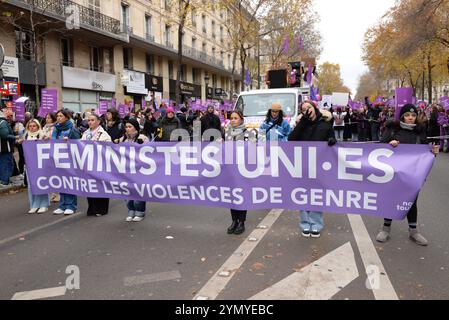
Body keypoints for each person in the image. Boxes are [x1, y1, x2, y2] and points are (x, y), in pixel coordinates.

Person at [376, 104, 439, 246]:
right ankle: (385, 228)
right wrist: (389, 144)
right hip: (394, 172)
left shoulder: (420, 131)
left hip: (413, 174)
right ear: (402, 116)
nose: (410, 118)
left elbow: (425, 153)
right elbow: (379, 148)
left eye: (413, 116)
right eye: (407, 115)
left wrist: (433, 152)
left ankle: (414, 231)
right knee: (392, 199)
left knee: (412, 201)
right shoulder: (392, 128)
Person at [288, 100, 336, 238]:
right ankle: (305, 223)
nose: (307, 110)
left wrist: (332, 140)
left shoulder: (325, 124)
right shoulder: (301, 124)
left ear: (314, 108)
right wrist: (303, 122)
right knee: (303, 196)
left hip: (319, 167)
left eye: (309, 107)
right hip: (302, 166)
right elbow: (291, 140)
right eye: (303, 109)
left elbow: (331, 137)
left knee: (316, 196)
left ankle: (316, 224)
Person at [224, 110, 257, 235]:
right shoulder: (227, 133)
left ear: (241, 119)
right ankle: (234, 221)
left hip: (243, 169)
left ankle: (241, 222)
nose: (233, 120)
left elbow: (254, 151)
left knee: (242, 195)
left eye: (235, 118)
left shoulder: (249, 133)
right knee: (232, 195)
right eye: (231, 118)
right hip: (230, 169)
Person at [81, 113, 112, 217]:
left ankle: (101, 209)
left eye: (92, 120)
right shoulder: (85, 133)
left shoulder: (103, 134)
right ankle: (91, 208)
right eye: (89, 120)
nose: (90, 122)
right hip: (88, 163)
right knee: (90, 186)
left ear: (98, 122)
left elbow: (108, 147)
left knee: (100, 185)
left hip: (99, 164)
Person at [51, 109, 81, 215]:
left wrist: (69, 141)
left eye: (61, 116)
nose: (58, 118)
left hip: (69, 159)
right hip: (58, 158)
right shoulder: (56, 129)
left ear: (67, 117)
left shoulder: (72, 128)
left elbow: (78, 143)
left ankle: (71, 205)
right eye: (57, 116)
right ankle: (62, 205)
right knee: (61, 181)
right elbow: (53, 141)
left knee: (69, 182)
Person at [119, 118, 149, 222]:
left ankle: (140, 211)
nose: (127, 129)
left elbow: (150, 152)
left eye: (130, 127)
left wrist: (142, 145)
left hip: (139, 170)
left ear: (135, 127)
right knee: (127, 192)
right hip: (126, 170)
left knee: (138, 191)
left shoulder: (142, 138)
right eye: (126, 127)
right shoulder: (123, 139)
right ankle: (131, 210)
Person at [18, 119, 50, 214]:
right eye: (30, 126)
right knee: (31, 185)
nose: (32, 128)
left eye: (34, 126)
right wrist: (20, 142)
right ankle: (34, 204)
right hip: (29, 164)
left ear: (38, 126)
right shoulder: (26, 135)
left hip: (40, 164)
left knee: (41, 183)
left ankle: (44, 204)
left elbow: (48, 141)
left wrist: (46, 139)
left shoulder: (42, 134)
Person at [0, 106, 17, 187]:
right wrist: (15, 137)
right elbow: (5, 135)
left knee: (4, 163)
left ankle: (4, 180)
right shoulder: (3, 122)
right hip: (5, 148)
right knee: (7, 164)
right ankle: (5, 181)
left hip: (2, 148)